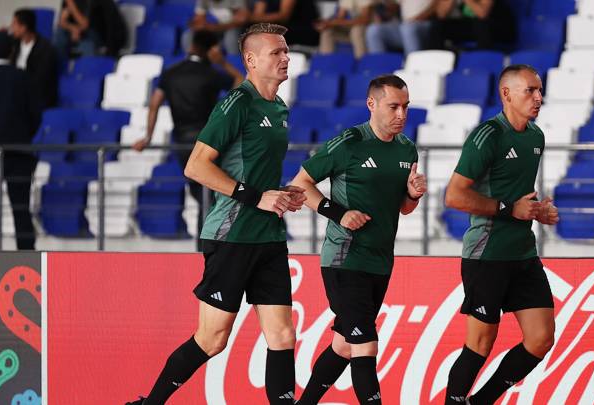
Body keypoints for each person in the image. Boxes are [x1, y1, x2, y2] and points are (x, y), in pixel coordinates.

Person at [125, 23, 306, 405]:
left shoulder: (279, 106)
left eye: (286, 51)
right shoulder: (236, 103)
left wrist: (283, 193)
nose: (285, 57)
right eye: (276, 52)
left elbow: (255, 172)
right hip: (232, 234)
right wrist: (256, 197)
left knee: (283, 337)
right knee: (212, 339)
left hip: (269, 236)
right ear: (251, 61)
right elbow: (196, 167)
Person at [291, 74, 427, 405]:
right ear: (372, 104)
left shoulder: (407, 149)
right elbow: (300, 183)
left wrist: (413, 195)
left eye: (406, 107)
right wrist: (337, 213)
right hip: (344, 259)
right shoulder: (349, 142)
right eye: (394, 106)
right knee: (365, 345)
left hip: (380, 261)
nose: (401, 115)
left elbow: (404, 209)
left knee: (343, 344)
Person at [442, 64, 559, 404]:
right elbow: (454, 196)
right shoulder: (488, 136)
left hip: (523, 253)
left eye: (540, 90)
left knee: (540, 339)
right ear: (506, 94)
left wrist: (539, 211)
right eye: (530, 91)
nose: (538, 97)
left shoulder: (536, 136)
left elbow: (519, 193)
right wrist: (511, 209)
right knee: (479, 345)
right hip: (487, 254)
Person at [132, 29, 243, 250]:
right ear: (212, 49)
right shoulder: (211, 73)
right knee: (209, 195)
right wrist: (222, 62)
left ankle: (205, 246)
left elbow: (154, 104)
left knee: (201, 193)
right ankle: (207, 247)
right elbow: (240, 83)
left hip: (181, 144)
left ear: (191, 45)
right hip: (208, 143)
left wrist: (147, 136)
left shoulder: (171, 73)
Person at [0, 32, 41, 250]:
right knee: (20, 210)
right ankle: (27, 258)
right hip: (18, 151)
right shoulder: (22, 77)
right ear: (12, 51)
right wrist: (22, 136)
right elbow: (35, 114)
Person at [10, 8, 59, 109]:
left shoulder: (46, 49)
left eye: (14, 24)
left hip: (35, 98)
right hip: (15, 93)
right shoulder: (13, 45)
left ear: (24, 27)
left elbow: (41, 81)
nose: (11, 27)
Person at [54, 0, 127, 58]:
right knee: (60, 36)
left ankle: (87, 72)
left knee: (86, 44)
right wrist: (72, 28)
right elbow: (61, 22)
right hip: (80, 31)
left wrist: (71, 5)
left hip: (101, 34)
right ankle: (58, 71)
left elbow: (85, 24)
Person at [433, 0, 516, 51]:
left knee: (481, 24)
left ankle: (482, 58)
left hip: (496, 28)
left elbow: (482, 14)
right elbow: (441, 15)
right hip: (472, 27)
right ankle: (439, 58)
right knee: (439, 26)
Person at [365, 0, 437, 55]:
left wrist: (417, 18)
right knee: (374, 29)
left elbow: (436, 5)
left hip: (427, 23)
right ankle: (380, 67)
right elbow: (393, 8)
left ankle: (412, 67)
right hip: (404, 25)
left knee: (407, 28)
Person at [184, 0, 250, 56]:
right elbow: (199, 18)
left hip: (233, 29)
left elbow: (241, 20)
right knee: (188, 35)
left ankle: (235, 64)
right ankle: (192, 63)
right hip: (214, 31)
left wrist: (215, 27)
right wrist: (196, 25)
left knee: (231, 36)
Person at [249, 0, 320, 48]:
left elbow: (283, 16)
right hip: (278, 30)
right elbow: (257, 16)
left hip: (300, 30)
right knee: (250, 31)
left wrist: (248, 17)